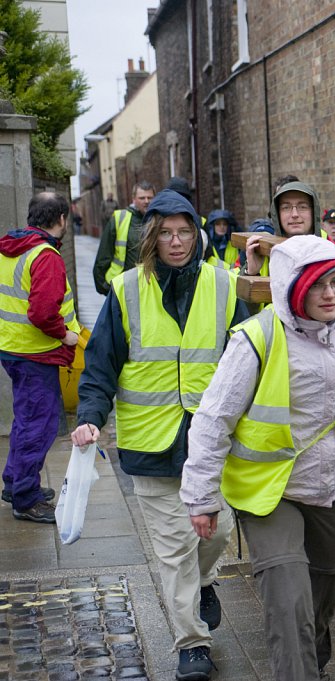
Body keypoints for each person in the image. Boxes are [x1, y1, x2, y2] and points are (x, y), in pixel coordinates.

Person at [72, 189, 248, 681]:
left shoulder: (225, 285)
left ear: (197, 232)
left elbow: (248, 358)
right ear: (152, 236)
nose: (176, 241)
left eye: (184, 231)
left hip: (210, 443)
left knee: (219, 533)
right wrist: (91, 414)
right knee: (174, 551)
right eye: (166, 233)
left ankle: (207, 579)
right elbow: (101, 364)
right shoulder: (127, 289)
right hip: (150, 443)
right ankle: (192, 642)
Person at [181, 235, 335, 680]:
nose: (331, 294)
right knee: (288, 606)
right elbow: (212, 419)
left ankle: (309, 660)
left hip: (334, 488)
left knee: (324, 592)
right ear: (292, 287)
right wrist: (201, 496)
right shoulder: (256, 338)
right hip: (270, 494)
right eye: (318, 284)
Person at [0, 192, 81, 523]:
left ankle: (14, 482)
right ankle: (26, 497)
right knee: (39, 426)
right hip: (36, 353)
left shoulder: (11, 248)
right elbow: (43, 313)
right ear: (62, 218)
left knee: (25, 419)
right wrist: (67, 335)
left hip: (13, 348)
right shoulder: (45, 255)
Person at [243, 180, 325, 277]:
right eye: (286, 207)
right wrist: (251, 273)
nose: (295, 214)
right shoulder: (262, 253)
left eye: (302, 207)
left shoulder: (331, 253)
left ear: (313, 212)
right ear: (277, 214)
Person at [93, 181, 155, 295]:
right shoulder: (119, 219)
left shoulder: (159, 220)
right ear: (134, 199)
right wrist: (105, 287)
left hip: (151, 289)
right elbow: (103, 256)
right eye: (142, 198)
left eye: (150, 197)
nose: (146, 201)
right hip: (123, 287)